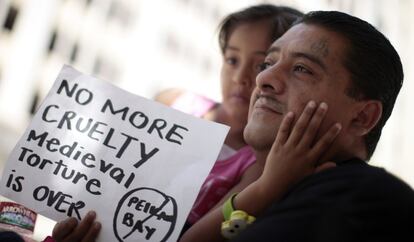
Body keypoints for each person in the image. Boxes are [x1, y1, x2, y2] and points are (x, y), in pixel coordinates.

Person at [50, 10, 414, 242]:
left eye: (302, 68)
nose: (263, 78)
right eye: (268, 63)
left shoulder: (364, 200)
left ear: (363, 117)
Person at [155, 4, 303, 234]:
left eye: (262, 65)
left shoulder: (259, 164)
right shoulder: (174, 103)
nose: (240, 77)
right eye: (232, 60)